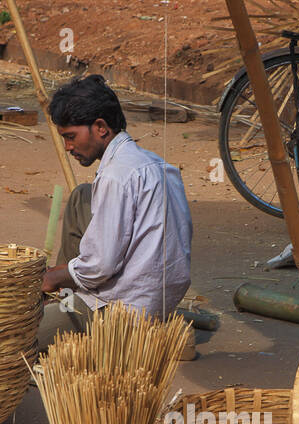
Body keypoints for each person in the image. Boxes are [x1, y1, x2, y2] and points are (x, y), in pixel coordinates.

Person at [41, 75, 193, 329]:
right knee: (82, 196)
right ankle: (65, 297)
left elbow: (100, 266)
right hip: (163, 297)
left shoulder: (116, 175)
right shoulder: (150, 161)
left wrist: (54, 277)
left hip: (124, 309)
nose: (68, 147)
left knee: (24, 334)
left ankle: (68, 303)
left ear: (101, 127)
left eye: (71, 136)